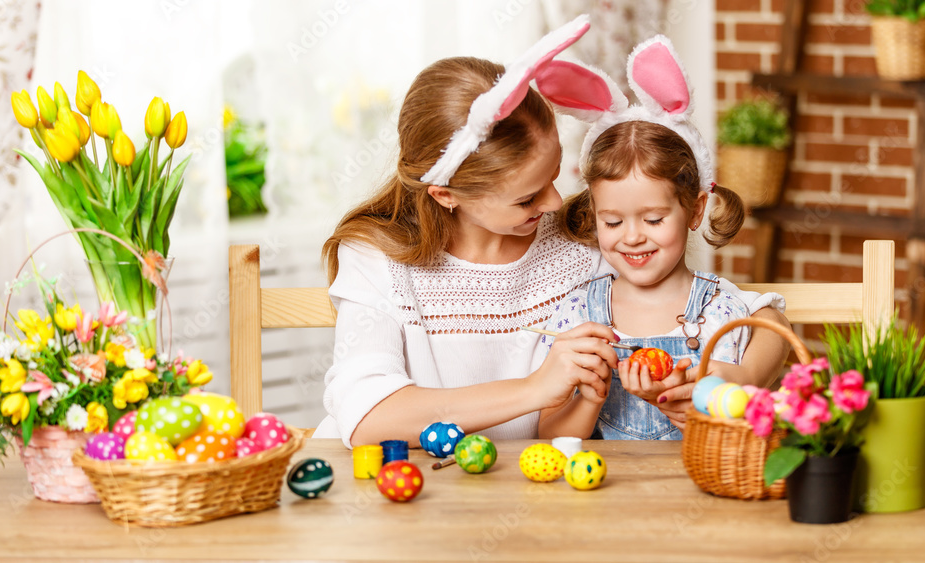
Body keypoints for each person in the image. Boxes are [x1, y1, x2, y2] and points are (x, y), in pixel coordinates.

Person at [314, 18, 790, 448]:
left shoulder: (584, 241)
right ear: (445, 195)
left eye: (554, 177)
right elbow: (368, 415)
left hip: (528, 497)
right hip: (408, 499)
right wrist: (533, 389)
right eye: (526, 198)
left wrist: (739, 378)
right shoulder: (379, 258)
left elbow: (757, 317)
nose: (555, 204)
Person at [532, 36, 778, 440]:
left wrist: (735, 386)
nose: (632, 238)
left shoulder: (720, 308)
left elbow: (770, 327)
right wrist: (593, 394)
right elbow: (550, 436)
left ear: (696, 210)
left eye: (653, 219)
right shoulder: (579, 315)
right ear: (594, 216)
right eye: (612, 223)